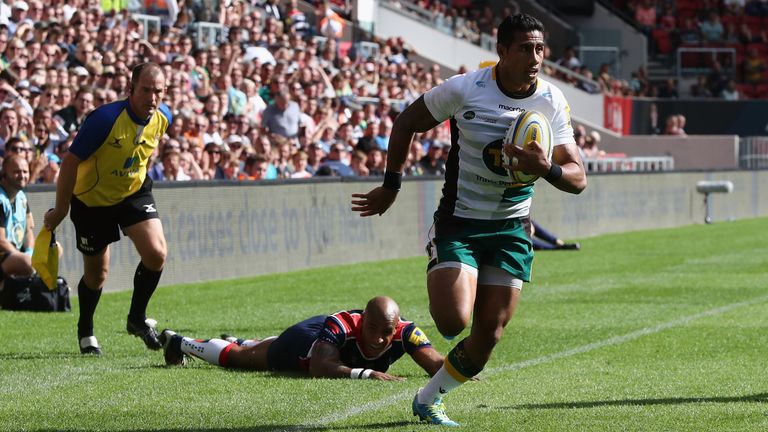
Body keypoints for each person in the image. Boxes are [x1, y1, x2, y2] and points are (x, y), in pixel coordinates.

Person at [351, 14, 587, 426]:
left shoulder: (550, 101)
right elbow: (406, 122)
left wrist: (545, 167)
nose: (535, 58)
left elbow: (578, 178)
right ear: (501, 51)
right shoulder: (465, 89)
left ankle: (429, 398)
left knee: (488, 337)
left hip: (512, 228)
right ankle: (448, 263)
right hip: (460, 221)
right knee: (452, 321)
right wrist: (391, 185)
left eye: (540, 48)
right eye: (525, 48)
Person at [43, 62, 172, 356]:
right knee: (97, 275)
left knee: (156, 253)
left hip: (133, 193)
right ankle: (85, 330)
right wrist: (61, 210)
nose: (152, 98)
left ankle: (136, 319)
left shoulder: (164, 117)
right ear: (131, 89)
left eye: (158, 91)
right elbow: (70, 162)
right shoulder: (104, 119)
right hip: (92, 202)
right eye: (146, 90)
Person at [158, 296, 444, 381]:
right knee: (241, 360)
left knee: (256, 348)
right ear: (363, 322)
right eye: (373, 329)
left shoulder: (406, 332)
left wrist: (459, 371)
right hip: (305, 344)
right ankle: (180, 342)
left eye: (387, 332)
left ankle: (246, 340)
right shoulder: (343, 324)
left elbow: (435, 364)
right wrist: (367, 374)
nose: (380, 339)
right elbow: (320, 368)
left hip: (321, 340)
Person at [0, 154, 35, 277]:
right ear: (4, 173)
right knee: (25, 261)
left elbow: (29, 231)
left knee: (55, 249)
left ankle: (48, 294)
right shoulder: (0, 200)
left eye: (25, 171)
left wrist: (30, 252)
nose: (22, 176)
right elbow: (1, 241)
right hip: (4, 255)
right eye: (17, 172)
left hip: (15, 254)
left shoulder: (21, 197)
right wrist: (22, 257)